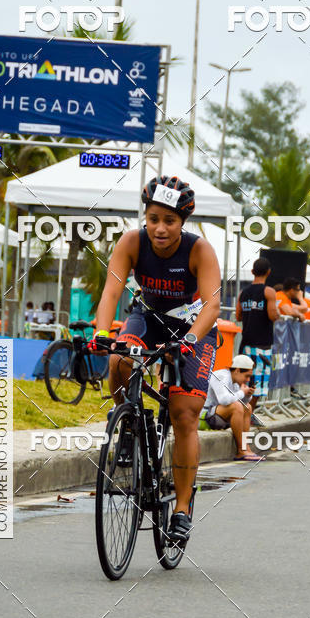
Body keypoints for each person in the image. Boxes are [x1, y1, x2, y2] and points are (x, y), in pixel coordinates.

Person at [91, 175, 221, 546]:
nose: (160, 228)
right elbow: (111, 291)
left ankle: (181, 509)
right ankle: (129, 424)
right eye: (153, 219)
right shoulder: (131, 242)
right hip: (147, 318)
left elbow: (212, 304)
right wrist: (102, 332)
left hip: (193, 328)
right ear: (145, 218)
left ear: (183, 222)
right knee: (119, 360)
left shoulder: (199, 250)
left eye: (169, 221)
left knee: (183, 413)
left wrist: (190, 340)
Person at [236, 257, 279, 417]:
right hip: (262, 345)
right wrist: (278, 313)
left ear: (253, 271)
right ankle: (247, 415)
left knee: (245, 380)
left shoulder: (243, 293)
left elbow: (238, 316)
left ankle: (243, 413)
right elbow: (272, 315)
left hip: (245, 343)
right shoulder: (269, 291)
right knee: (258, 383)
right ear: (268, 272)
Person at [201, 354, 262, 461]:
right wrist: (242, 392)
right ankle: (241, 450)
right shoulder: (221, 376)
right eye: (246, 376)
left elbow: (240, 401)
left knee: (247, 406)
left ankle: (246, 448)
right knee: (237, 406)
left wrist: (247, 395)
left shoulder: (235, 380)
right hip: (203, 418)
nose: (248, 380)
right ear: (237, 371)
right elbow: (224, 399)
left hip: (217, 416)